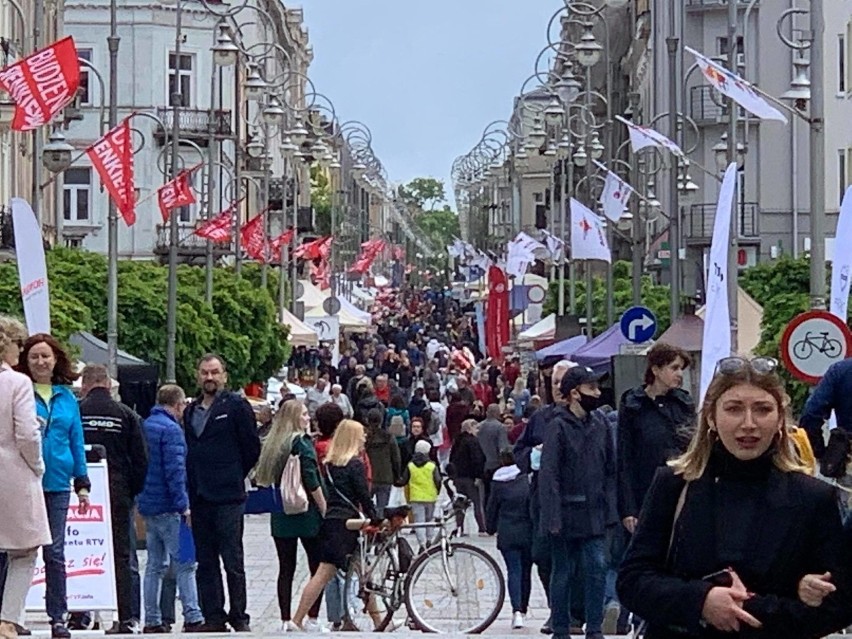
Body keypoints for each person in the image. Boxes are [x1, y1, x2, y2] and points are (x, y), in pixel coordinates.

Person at [617, 356, 852, 639]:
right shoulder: (675, 485)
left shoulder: (813, 497)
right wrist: (701, 601)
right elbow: (633, 581)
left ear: (780, 419)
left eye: (762, 410)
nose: (749, 423)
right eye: (734, 409)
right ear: (711, 418)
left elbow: (838, 605)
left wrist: (751, 609)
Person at [16, 334, 90, 639]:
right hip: (24, 481)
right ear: (25, 361)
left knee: (55, 553)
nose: (40, 362)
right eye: (34, 356)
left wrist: (82, 482)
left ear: (56, 359)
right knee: (18, 551)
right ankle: (10, 617)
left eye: (45, 356)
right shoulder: (18, 391)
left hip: (58, 484)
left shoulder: (67, 398)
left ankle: (57, 617)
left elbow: (76, 441)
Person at [183, 354, 261, 632]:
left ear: (224, 376)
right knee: (205, 560)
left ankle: (239, 615)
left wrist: (233, 472)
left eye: (214, 372)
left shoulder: (236, 406)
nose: (209, 378)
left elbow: (252, 447)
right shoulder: (190, 411)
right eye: (204, 372)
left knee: (232, 560)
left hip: (228, 495)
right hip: (200, 495)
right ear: (198, 376)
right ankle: (213, 616)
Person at [540, 365, 616, 639]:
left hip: (594, 512)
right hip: (566, 512)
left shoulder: (601, 423)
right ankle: (561, 629)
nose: (597, 393)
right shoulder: (557, 426)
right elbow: (549, 476)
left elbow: (611, 468)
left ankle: (594, 628)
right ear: (574, 393)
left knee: (597, 566)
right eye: (591, 388)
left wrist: (611, 509)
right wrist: (552, 517)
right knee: (564, 572)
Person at [78, 364, 148, 634]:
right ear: (108, 384)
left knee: (79, 551)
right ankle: (127, 616)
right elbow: (141, 459)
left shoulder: (76, 412)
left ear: (85, 385)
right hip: (118, 492)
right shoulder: (126, 415)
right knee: (123, 555)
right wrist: (131, 491)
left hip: (79, 494)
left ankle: (77, 614)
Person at [291, 420, 378, 629]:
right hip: (346, 526)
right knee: (323, 575)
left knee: (363, 571)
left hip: (333, 522)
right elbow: (362, 496)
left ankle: (379, 620)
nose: (364, 438)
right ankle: (297, 620)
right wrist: (375, 517)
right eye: (361, 435)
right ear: (352, 438)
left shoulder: (331, 465)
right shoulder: (355, 464)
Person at [255, 400, 328, 633]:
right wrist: (325, 509)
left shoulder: (272, 444)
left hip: (281, 514)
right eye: (305, 414)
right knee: (317, 567)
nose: (308, 418)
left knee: (285, 567)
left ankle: (286, 618)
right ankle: (312, 618)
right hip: (306, 513)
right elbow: (312, 481)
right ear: (295, 418)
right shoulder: (302, 444)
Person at [137, 384, 204, 633]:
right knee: (185, 562)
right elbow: (175, 471)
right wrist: (184, 505)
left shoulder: (145, 425)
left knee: (154, 565)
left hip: (148, 504)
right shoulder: (172, 430)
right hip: (170, 506)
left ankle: (152, 619)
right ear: (177, 404)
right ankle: (193, 615)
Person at [0, 317, 51, 639]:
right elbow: (27, 434)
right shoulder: (16, 383)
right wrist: (37, 466)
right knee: (25, 550)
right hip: (11, 471)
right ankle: (8, 620)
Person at [618, 343, 695, 536]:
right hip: (645, 490)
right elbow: (624, 457)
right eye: (674, 368)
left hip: (679, 488)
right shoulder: (633, 404)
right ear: (656, 370)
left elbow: (693, 448)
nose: (679, 374)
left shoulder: (683, 403)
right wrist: (628, 508)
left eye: (681, 369)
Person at [487, 449, 534, 630]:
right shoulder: (525, 481)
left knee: (513, 570)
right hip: (527, 532)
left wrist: (490, 528)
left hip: (507, 532)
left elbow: (492, 508)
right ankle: (523, 608)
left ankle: (515, 611)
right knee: (526, 572)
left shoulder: (497, 484)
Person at [398, 439, 442, 551]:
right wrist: (437, 491)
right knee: (429, 520)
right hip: (430, 497)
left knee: (419, 522)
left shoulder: (410, 465)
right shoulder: (432, 466)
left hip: (415, 497)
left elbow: (404, 481)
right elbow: (437, 480)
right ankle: (429, 540)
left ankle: (421, 544)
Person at [448, 419, 486, 536]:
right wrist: (479, 475)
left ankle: (460, 527)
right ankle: (482, 528)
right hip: (470, 477)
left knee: (460, 503)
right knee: (477, 503)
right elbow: (478, 460)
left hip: (458, 477)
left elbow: (451, 459)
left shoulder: (457, 441)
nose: (477, 431)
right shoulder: (473, 441)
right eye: (476, 428)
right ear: (470, 428)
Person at [364, 408, 401, 515]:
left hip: (368, 477)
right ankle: (380, 529)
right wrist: (397, 475)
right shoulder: (389, 437)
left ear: (367, 420)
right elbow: (396, 458)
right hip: (385, 476)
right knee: (382, 508)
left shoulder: (365, 438)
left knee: (366, 507)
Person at [478, 404, 510, 508]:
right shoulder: (499, 427)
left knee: (484, 494)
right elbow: (503, 448)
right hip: (495, 465)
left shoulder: (479, 426)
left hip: (482, 465)